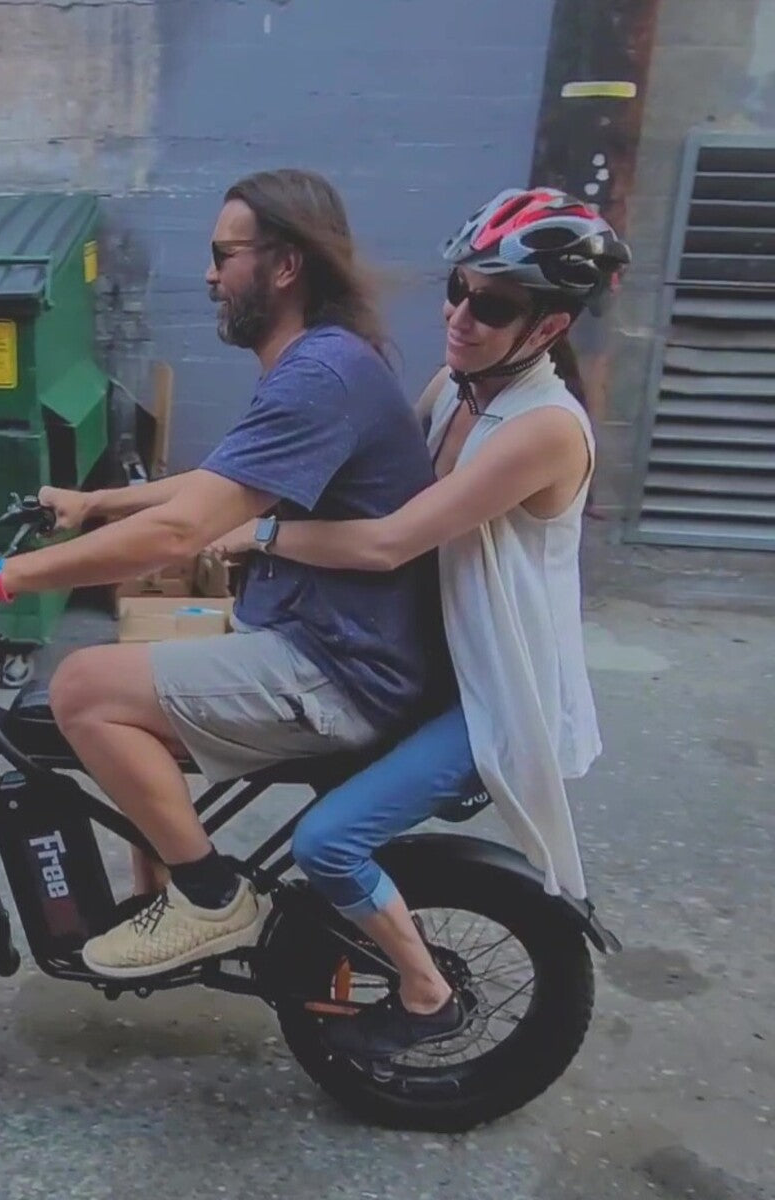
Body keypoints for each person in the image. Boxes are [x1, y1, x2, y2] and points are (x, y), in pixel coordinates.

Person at [0, 168, 452, 979]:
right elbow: (218, 482)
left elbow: (182, 529)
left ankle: (211, 897)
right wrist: (93, 502)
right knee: (119, 709)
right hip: (323, 646)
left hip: (338, 673)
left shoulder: (319, 375)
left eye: (224, 254)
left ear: (284, 266)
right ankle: (167, 888)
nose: (210, 276)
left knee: (81, 688)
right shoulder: (322, 361)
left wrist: (1, 577)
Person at [210, 186, 631, 1060]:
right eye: (458, 288)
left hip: (495, 698)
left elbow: (389, 541)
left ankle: (428, 991)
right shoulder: (457, 388)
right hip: (435, 666)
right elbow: (365, 482)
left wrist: (255, 532)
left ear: (549, 327)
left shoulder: (545, 428)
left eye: (496, 304)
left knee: (329, 842)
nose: (463, 316)